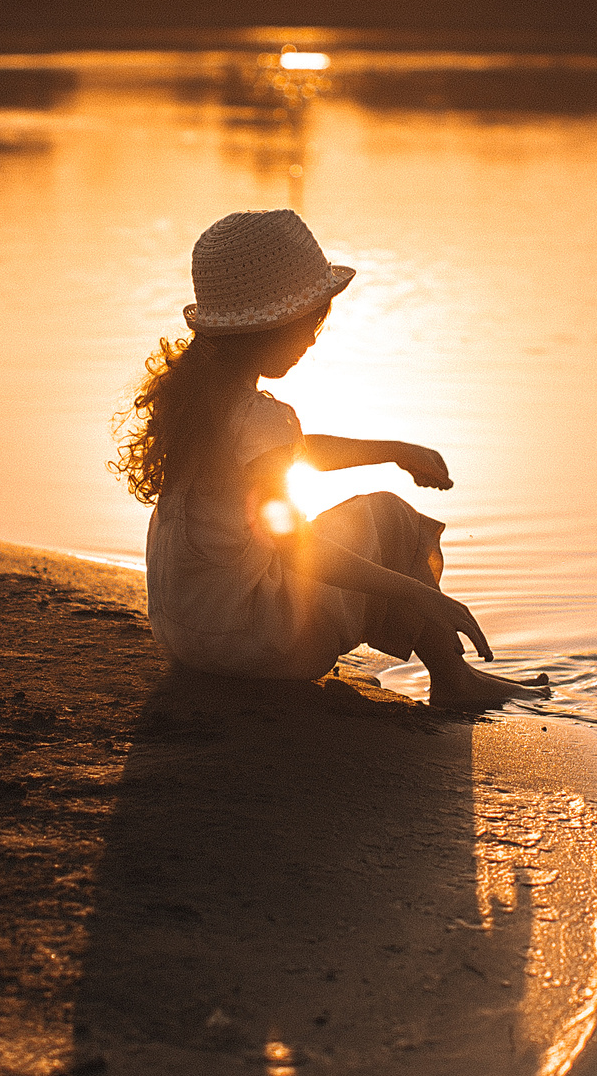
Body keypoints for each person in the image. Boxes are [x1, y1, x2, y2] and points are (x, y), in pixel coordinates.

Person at [114, 208, 547, 710]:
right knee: (390, 517)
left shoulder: (197, 400)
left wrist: (394, 451)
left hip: (184, 633)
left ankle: (454, 673)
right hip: (249, 643)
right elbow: (293, 540)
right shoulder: (259, 418)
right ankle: (454, 677)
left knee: (373, 520)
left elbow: (286, 455)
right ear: (266, 326)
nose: (311, 339)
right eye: (305, 323)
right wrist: (419, 593)